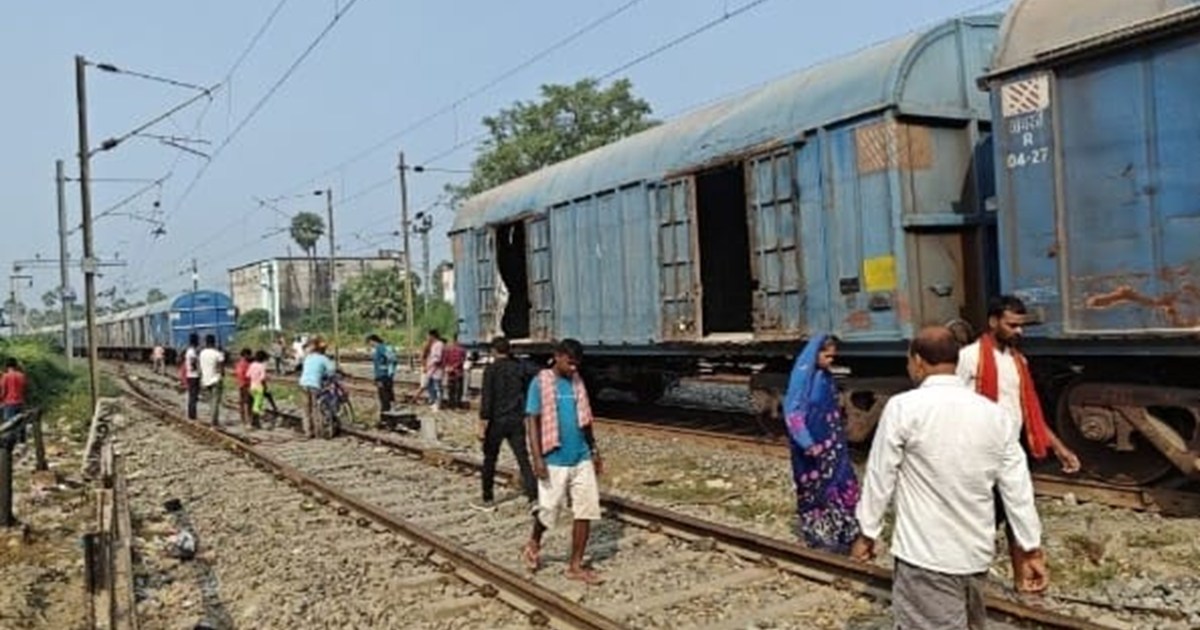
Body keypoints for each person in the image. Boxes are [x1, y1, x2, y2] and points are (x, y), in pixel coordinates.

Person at [852, 326, 1046, 629]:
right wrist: (1030, 547)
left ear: (917, 361)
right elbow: (1017, 487)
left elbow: (880, 475)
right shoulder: (994, 414)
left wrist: (868, 531)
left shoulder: (903, 408)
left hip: (924, 555)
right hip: (975, 554)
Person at [957, 295, 1079, 592]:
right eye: (1012, 325)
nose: (1019, 332)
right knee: (980, 519)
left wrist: (1060, 448)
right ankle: (966, 581)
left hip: (1012, 450)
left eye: (1021, 326)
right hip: (979, 452)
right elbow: (953, 404)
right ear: (993, 322)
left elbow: (1030, 410)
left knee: (1019, 514)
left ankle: (1023, 578)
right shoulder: (970, 357)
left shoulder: (1018, 361)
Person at [522, 339, 605, 584]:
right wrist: (537, 458)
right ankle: (534, 541)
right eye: (570, 362)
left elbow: (586, 419)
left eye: (577, 363)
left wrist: (594, 450)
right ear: (557, 356)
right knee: (549, 510)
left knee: (586, 509)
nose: (574, 367)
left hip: (580, 456)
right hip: (554, 458)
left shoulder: (577, 383)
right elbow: (532, 421)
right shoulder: (541, 383)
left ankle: (575, 565)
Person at [783, 335, 860, 554]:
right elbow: (793, 413)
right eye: (826, 356)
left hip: (833, 447)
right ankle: (821, 537)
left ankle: (845, 533)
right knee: (815, 491)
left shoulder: (825, 376)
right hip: (811, 449)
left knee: (842, 484)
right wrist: (807, 442)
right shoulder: (802, 378)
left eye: (832, 357)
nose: (830, 360)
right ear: (815, 354)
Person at [472, 336, 538, 512]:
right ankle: (534, 497)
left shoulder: (491, 370)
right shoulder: (519, 368)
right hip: (516, 419)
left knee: (490, 459)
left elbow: (487, 399)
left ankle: (487, 498)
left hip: (496, 421)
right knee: (523, 459)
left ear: (494, 351)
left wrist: (482, 424)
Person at [298, 336, 337, 438]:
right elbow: (332, 371)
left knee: (306, 409)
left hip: (303, 384)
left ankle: (307, 432)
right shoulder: (324, 359)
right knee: (316, 408)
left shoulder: (308, 357)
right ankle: (318, 432)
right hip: (314, 385)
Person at [198, 335, 225, 427]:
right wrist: (222, 376)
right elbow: (221, 369)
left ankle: (213, 420)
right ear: (214, 342)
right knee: (215, 402)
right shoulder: (218, 354)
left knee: (210, 401)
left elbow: (200, 367)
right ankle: (214, 422)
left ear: (206, 342)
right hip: (216, 380)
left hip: (205, 380)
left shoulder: (202, 353)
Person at [367, 334, 397, 414]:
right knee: (389, 393)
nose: (370, 345)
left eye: (370, 343)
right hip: (387, 375)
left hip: (382, 375)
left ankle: (385, 412)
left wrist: (384, 367)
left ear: (373, 341)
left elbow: (390, 358)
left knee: (383, 395)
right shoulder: (385, 347)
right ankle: (391, 410)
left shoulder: (380, 348)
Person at [0, 359, 29, 443]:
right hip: (21, 402)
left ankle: (10, 443)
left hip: (9, 403)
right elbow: (25, 390)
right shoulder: (22, 376)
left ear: (6, 366)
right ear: (16, 366)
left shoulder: (5, 376)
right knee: (21, 423)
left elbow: (3, 391)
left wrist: (1, 400)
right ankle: (22, 442)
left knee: (9, 424)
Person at [442, 335, 467, 409]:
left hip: (450, 372)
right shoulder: (462, 350)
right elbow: (462, 360)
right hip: (458, 372)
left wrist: (449, 367)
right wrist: (454, 367)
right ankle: (457, 404)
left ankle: (451, 404)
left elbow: (444, 360)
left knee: (451, 389)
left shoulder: (448, 349)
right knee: (459, 389)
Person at [247, 350, 270, 429]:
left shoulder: (252, 365)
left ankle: (256, 423)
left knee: (256, 404)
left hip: (252, 386)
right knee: (257, 406)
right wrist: (265, 387)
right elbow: (263, 378)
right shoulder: (262, 366)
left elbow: (248, 375)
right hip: (259, 387)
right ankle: (251, 423)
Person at [182, 333, 202, 420]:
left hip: (189, 375)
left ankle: (191, 414)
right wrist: (198, 370)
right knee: (194, 396)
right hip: (194, 376)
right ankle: (192, 415)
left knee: (192, 395)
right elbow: (193, 363)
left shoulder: (188, 351)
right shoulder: (192, 352)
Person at [424, 329, 445, 410]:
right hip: (431, 369)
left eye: (428, 336)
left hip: (437, 369)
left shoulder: (439, 344)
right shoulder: (433, 344)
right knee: (430, 386)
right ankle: (432, 401)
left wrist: (430, 366)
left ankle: (438, 403)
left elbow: (437, 358)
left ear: (432, 336)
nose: (427, 337)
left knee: (437, 387)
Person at [234, 348, 253, 426]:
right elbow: (242, 374)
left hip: (241, 384)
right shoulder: (245, 364)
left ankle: (244, 420)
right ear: (246, 355)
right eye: (249, 355)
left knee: (243, 403)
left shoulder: (239, 363)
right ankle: (247, 421)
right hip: (246, 385)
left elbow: (238, 374)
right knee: (247, 403)